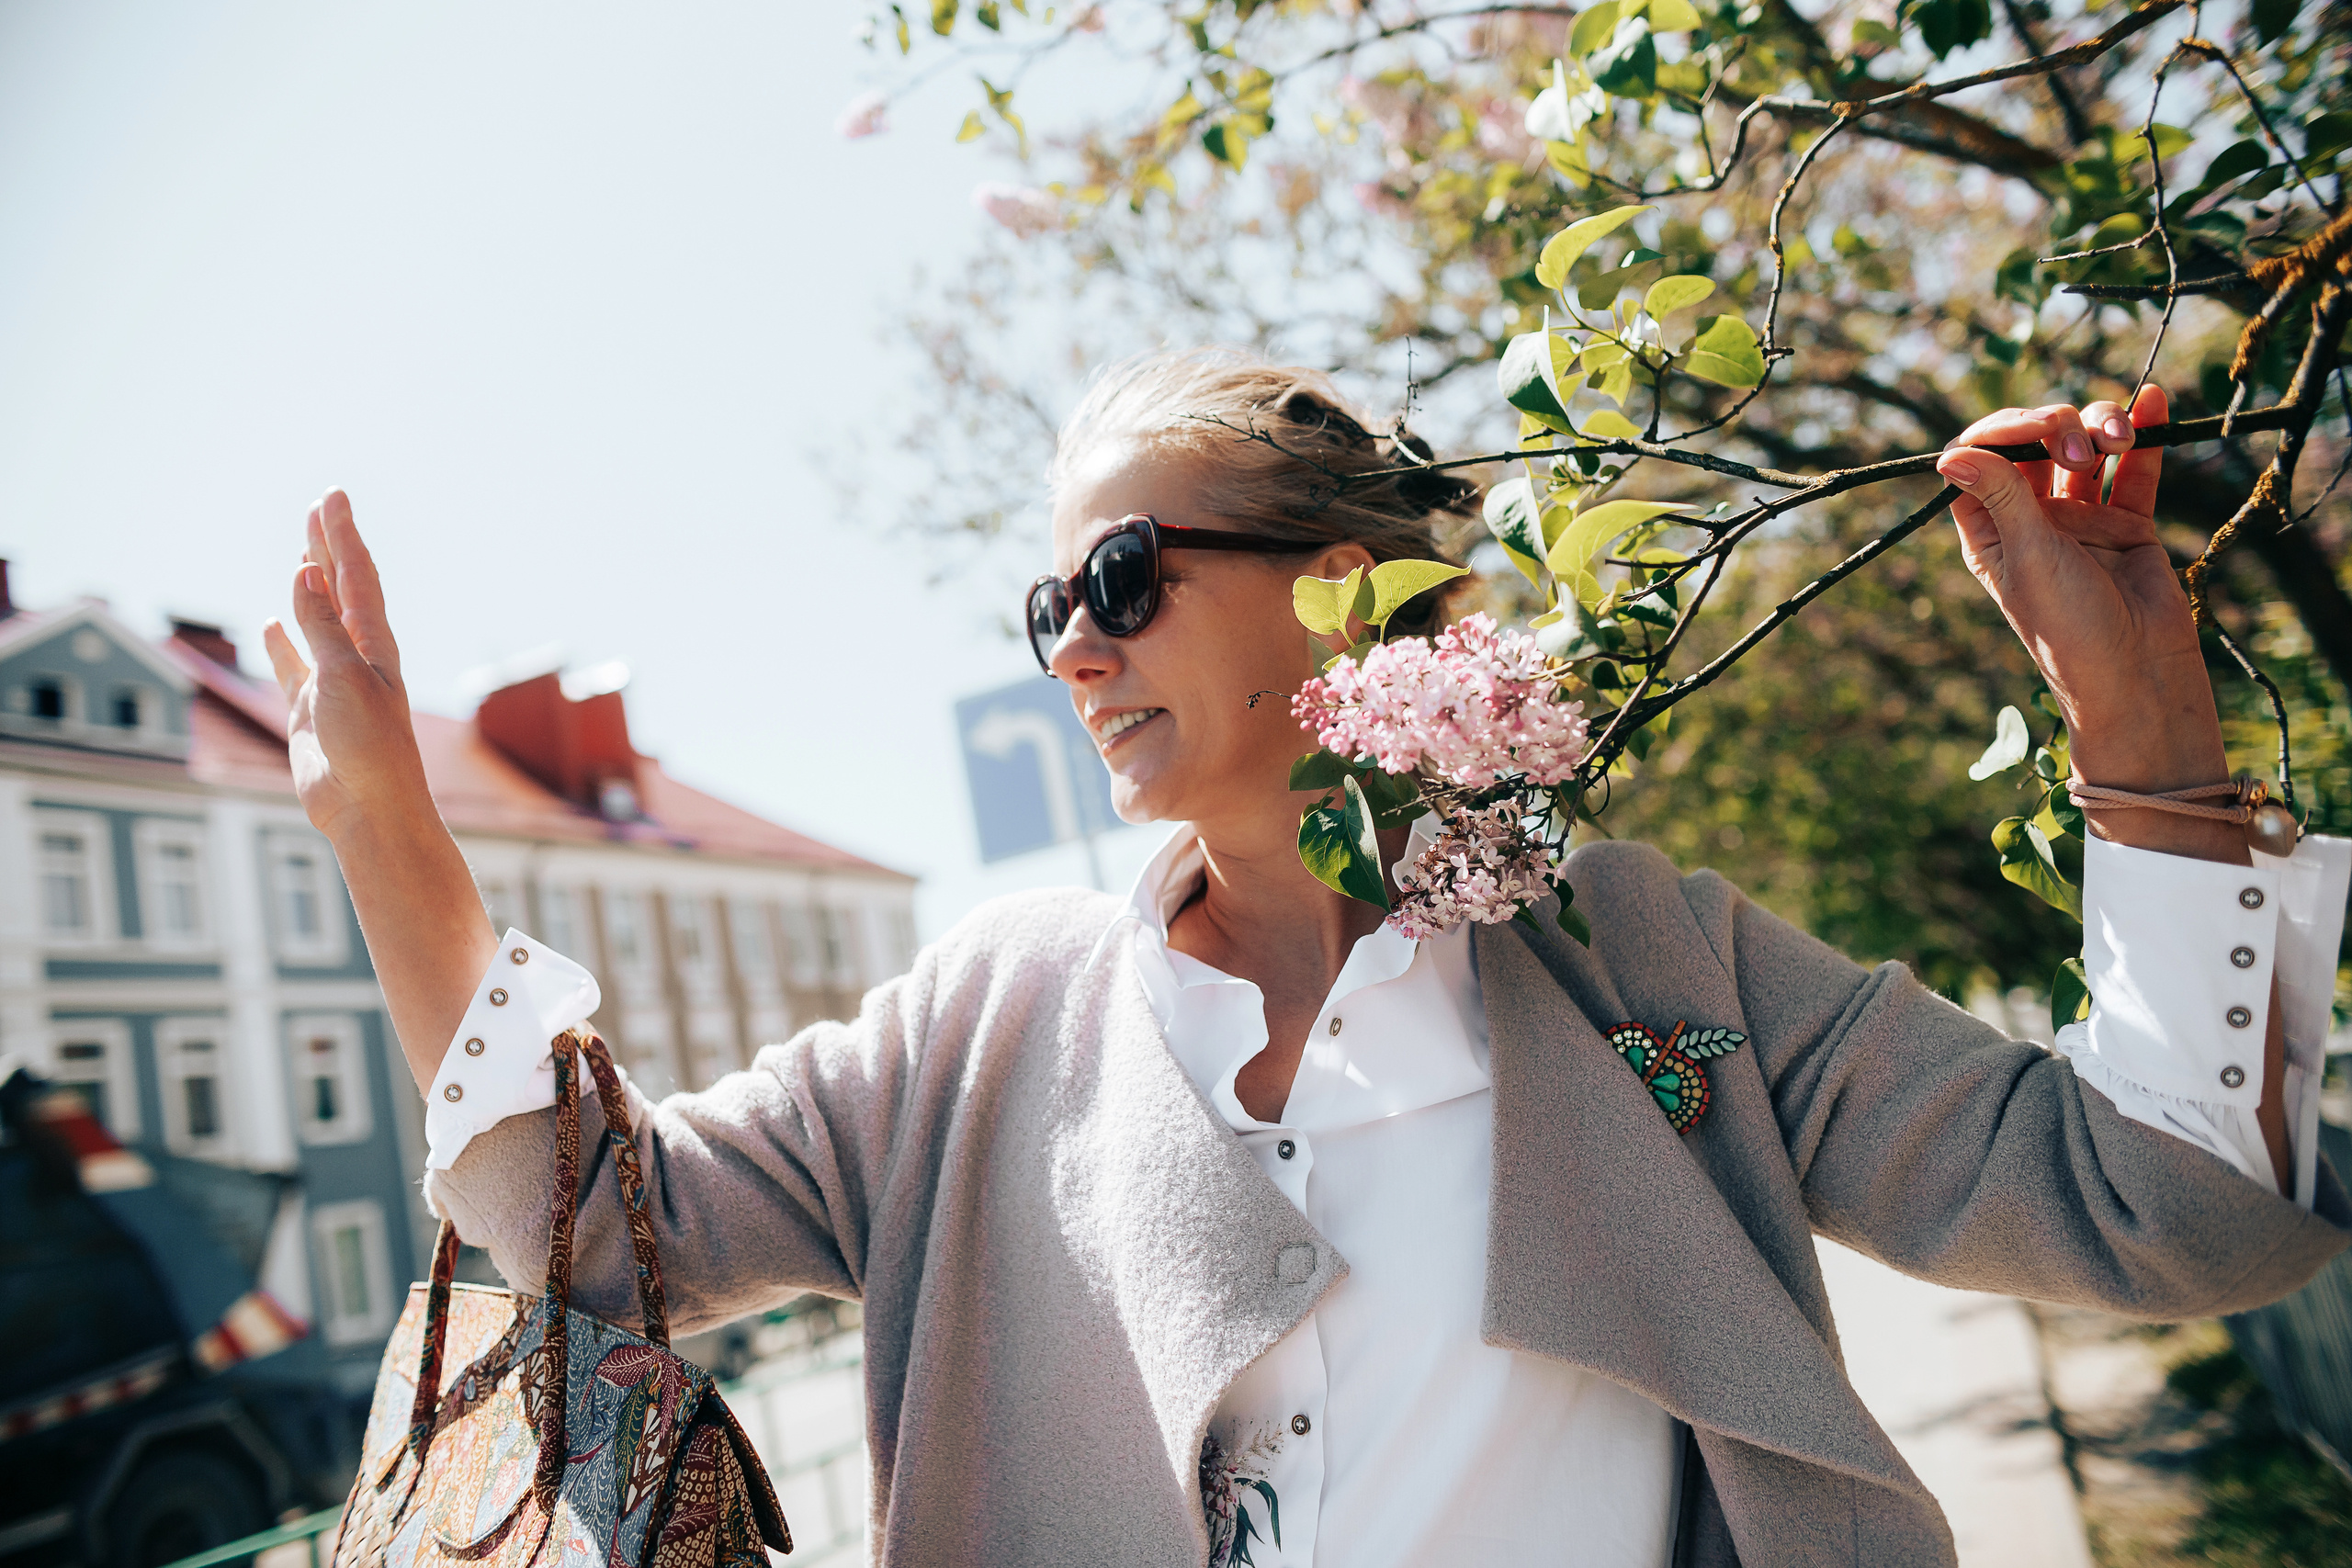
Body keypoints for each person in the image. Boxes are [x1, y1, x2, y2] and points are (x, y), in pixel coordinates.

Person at [268, 350, 2348, 1567]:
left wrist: (2137, 713)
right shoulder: (980, 1029)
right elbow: (578, 1231)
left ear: (1340, 595)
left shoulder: (1636, 952)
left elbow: (2169, 1212)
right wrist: (388, 832)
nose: (1072, 643)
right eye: (1041, 607)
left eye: (1120, 575)